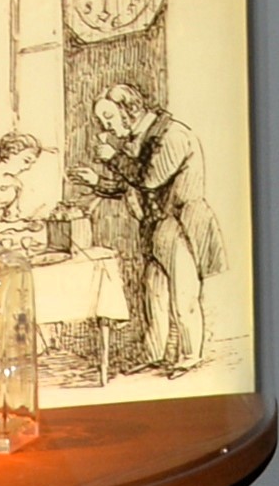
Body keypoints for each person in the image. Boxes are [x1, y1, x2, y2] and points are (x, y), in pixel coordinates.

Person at [75, 85, 223, 377]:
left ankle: (189, 356)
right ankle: (156, 355)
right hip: (155, 226)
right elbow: (129, 185)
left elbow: (150, 179)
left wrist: (113, 158)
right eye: (101, 120)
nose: (105, 126)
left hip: (180, 223)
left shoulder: (172, 135)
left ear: (129, 108)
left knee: (183, 295)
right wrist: (96, 182)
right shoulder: (141, 138)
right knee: (154, 295)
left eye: (108, 116)